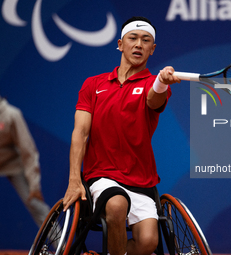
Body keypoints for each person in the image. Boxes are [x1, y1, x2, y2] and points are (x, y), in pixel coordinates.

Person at [62, 16, 181, 255]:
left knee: (148, 243)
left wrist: (161, 82)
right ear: (120, 44)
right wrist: (75, 180)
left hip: (141, 181)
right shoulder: (93, 85)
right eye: (133, 38)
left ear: (152, 49)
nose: (138, 44)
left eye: (145, 40)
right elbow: (80, 133)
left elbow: (154, 99)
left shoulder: (152, 84)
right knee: (116, 206)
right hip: (102, 176)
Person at [0, 96, 51, 228]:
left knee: (34, 203)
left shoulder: (12, 114)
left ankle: (61, 246)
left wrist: (34, 186)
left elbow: (28, 150)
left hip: (13, 164)